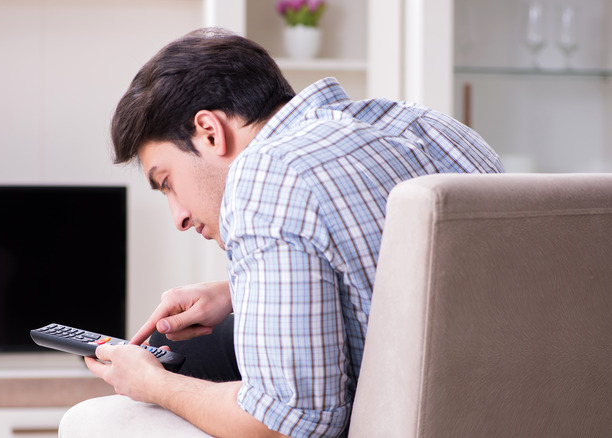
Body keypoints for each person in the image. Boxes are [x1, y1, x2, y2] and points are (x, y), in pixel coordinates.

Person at [84, 27, 504, 437]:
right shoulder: (435, 129)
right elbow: (431, 274)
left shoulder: (268, 172)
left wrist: (153, 384)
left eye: (168, 182)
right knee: (175, 344)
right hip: (503, 401)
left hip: (402, 414)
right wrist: (238, 289)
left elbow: (289, 425)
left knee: (134, 387)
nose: (177, 216)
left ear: (210, 132)